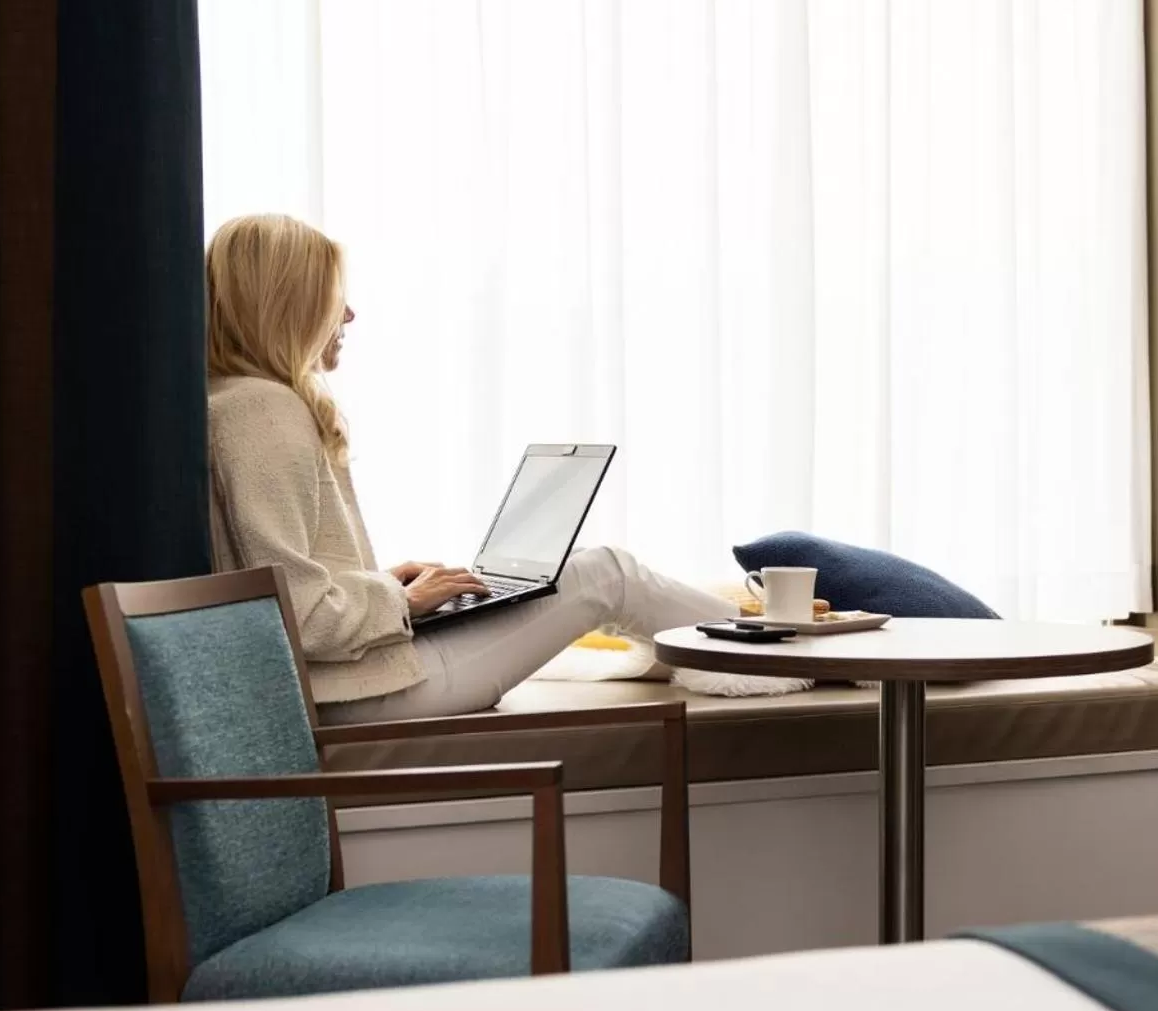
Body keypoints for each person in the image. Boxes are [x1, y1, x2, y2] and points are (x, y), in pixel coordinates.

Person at [204, 213, 806, 722]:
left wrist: (392, 584)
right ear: (291, 304)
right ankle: (798, 653)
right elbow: (298, 617)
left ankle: (752, 647)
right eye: (335, 297)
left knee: (594, 583)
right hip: (354, 693)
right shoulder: (264, 410)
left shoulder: (237, 402)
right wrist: (398, 599)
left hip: (345, 681)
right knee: (608, 575)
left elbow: (282, 581)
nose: (351, 315)